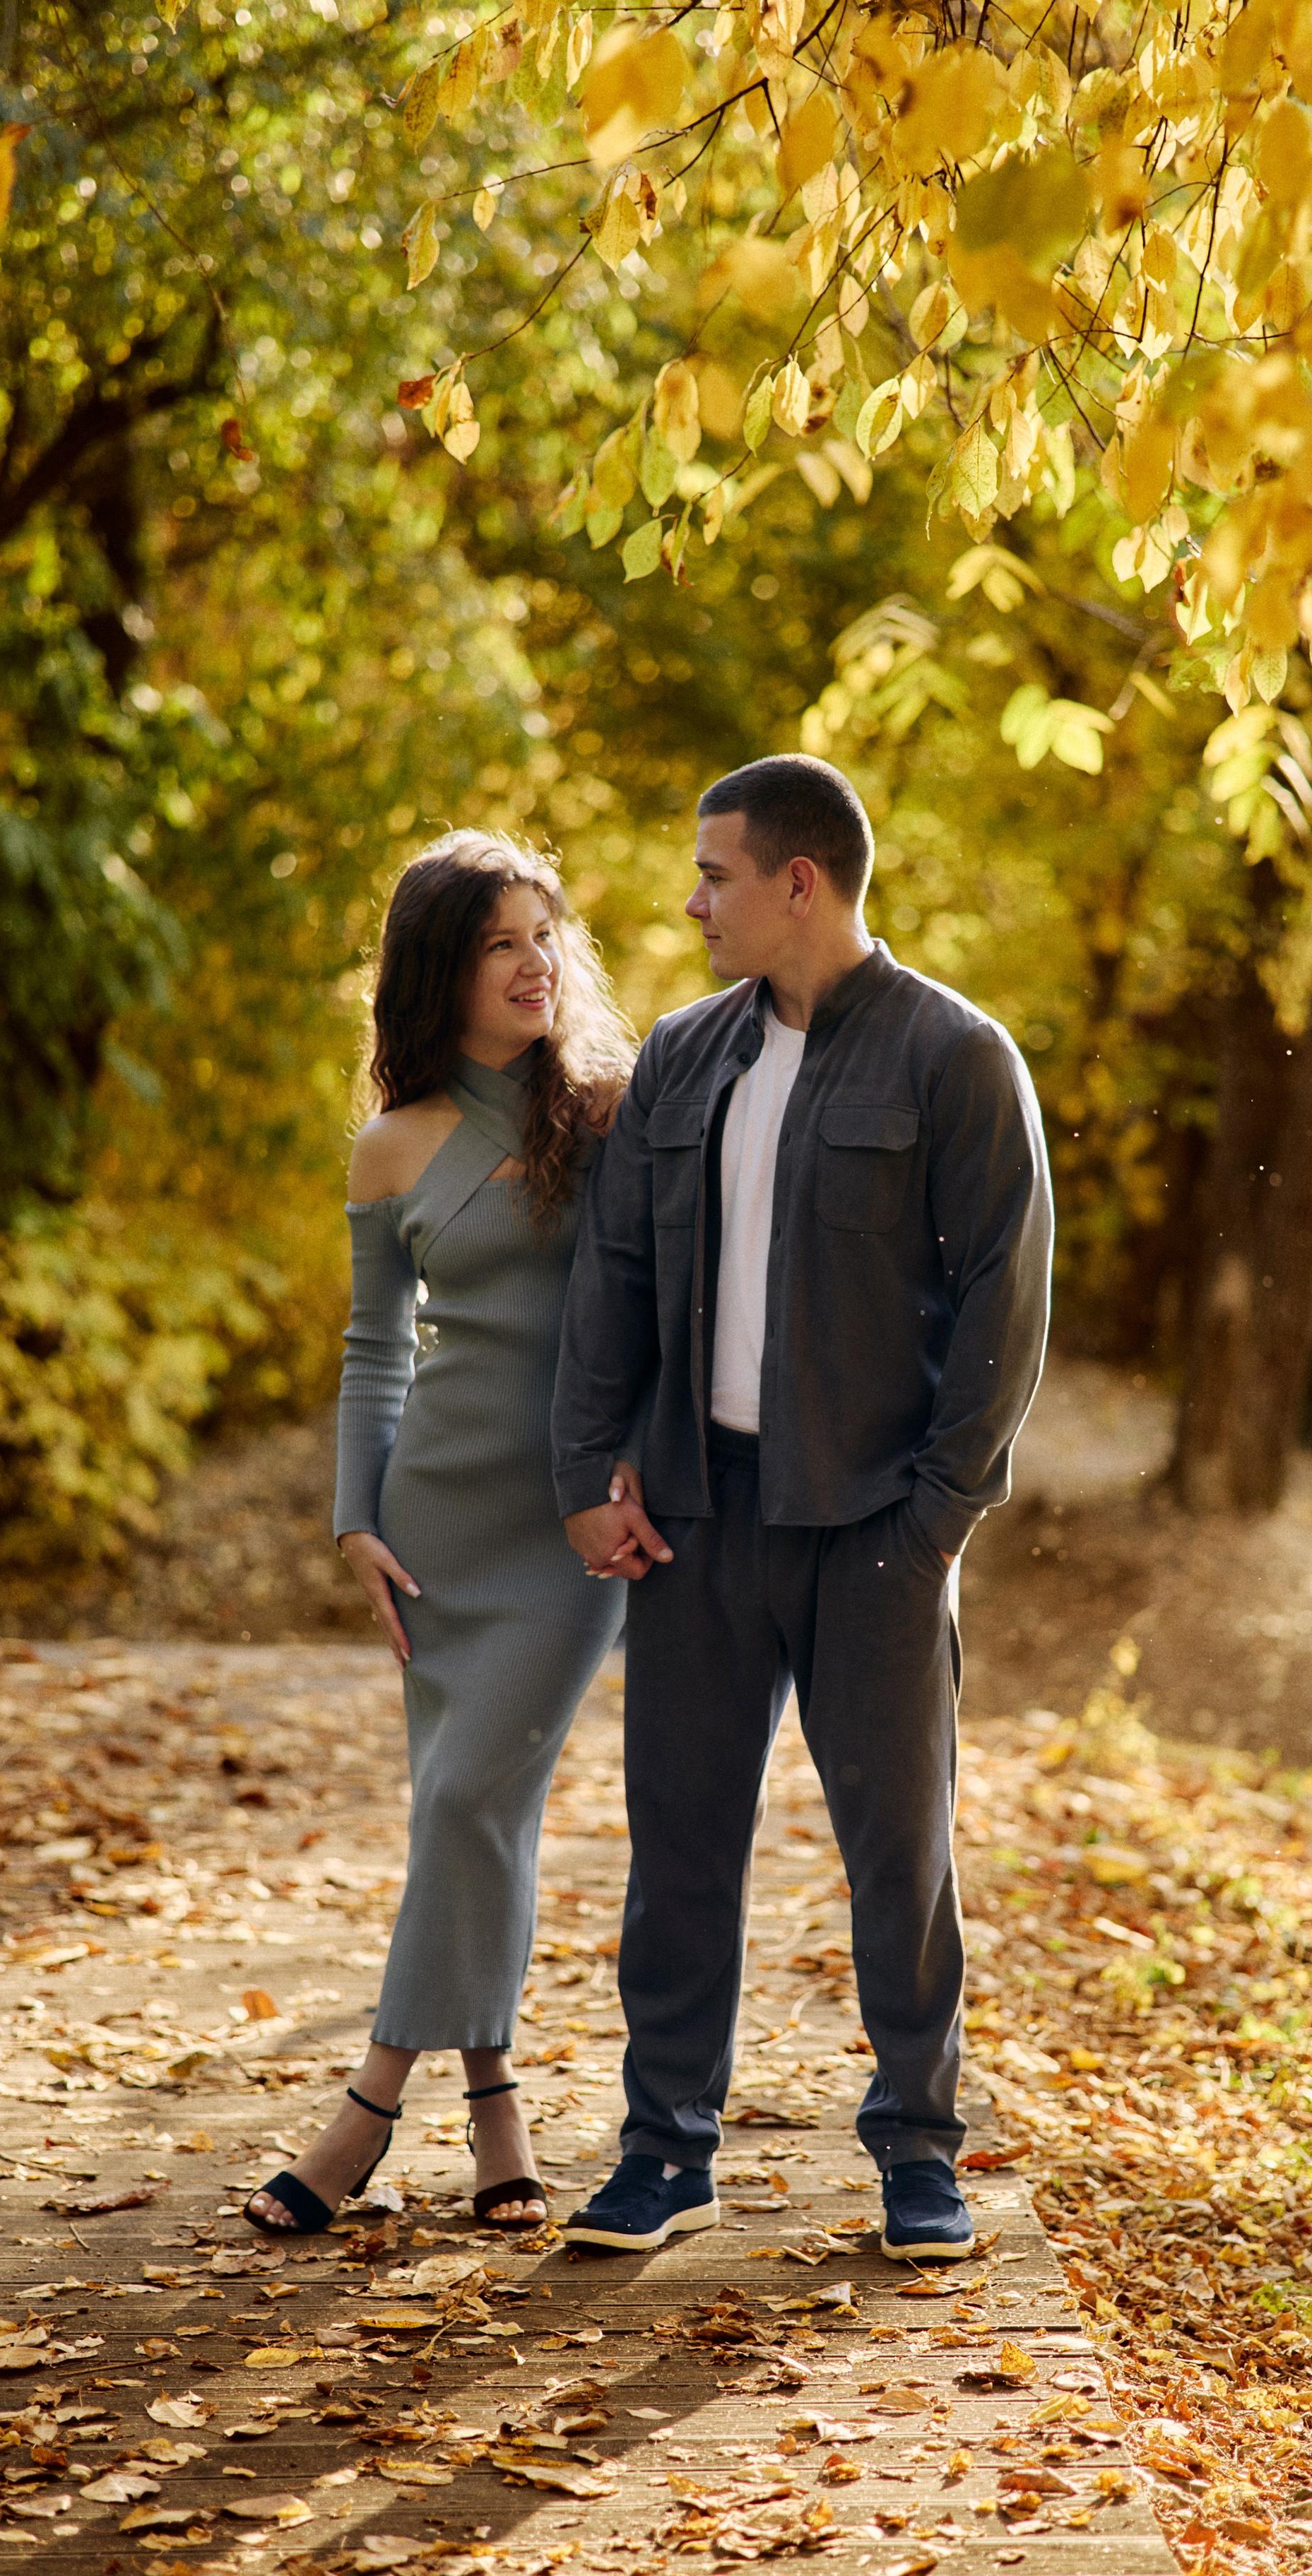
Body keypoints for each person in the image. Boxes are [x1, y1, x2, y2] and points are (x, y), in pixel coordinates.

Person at [550, 755, 1053, 2264]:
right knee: (679, 1848)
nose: (690, 902)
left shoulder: (954, 1057)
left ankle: (915, 2151)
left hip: (875, 1533)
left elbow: (1003, 1299)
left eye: (712, 874)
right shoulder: (683, 1060)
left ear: (798, 882)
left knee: (899, 1858)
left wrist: (938, 1517)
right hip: (697, 1521)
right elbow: (615, 1280)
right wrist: (587, 1475)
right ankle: (664, 2150)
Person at [247, 829, 640, 2236]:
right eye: (498, 941)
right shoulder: (389, 1147)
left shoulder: (606, 1113)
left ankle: (362, 2111)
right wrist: (356, 1520)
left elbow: (661, 1307)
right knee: (470, 1815)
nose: (535, 962)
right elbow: (375, 1350)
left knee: (469, 1798)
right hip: (433, 1524)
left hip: (568, 1525)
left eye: (545, 935)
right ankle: (498, 2127)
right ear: (439, 969)